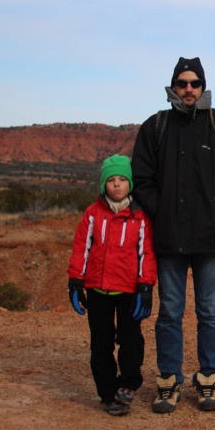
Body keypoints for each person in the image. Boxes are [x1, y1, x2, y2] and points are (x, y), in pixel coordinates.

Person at [131, 57, 215, 414]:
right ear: (173, 86)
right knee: (170, 311)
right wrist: (161, 211)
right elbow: (141, 178)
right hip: (169, 237)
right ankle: (168, 382)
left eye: (194, 83)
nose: (188, 89)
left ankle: (207, 380)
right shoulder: (156, 126)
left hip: (212, 240)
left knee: (209, 311)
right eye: (182, 83)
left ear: (203, 87)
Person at [67, 154, 157, 416]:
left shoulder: (140, 217)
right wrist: (75, 281)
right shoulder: (93, 214)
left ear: (130, 183)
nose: (117, 184)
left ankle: (128, 384)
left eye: (122, 179)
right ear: (103, 184)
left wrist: (146, 287)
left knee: (130, 341)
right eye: (111, 180)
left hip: (129, 290)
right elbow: (81, 248)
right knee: (101, 343)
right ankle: (108, 393)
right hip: (98, 290)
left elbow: (147, 254)